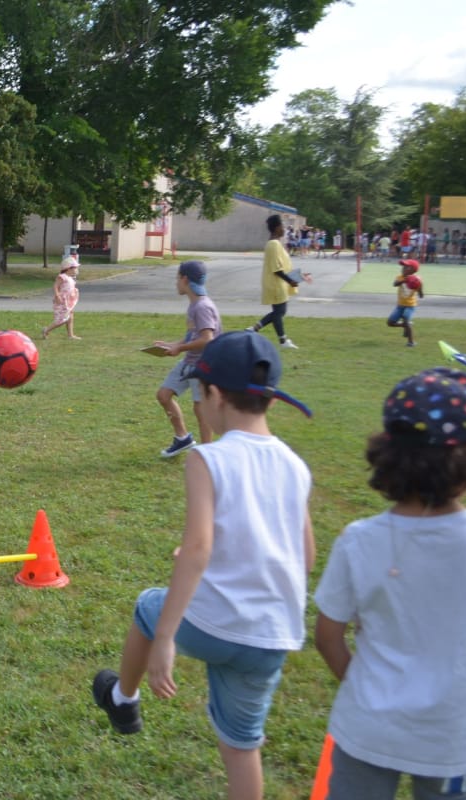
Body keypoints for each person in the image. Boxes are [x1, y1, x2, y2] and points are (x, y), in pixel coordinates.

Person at [92, 331, 314, 800]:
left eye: (200, 392)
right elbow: (305, 555)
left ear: (213, 395)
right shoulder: (296, 465)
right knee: (241, 746)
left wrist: (167, 637)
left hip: (213, 624)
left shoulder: (207, 458)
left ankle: (124, 700)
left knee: (148, 606)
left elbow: (197, 549)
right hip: (272, 635)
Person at [314, 367, 466, 800]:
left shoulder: (359, 539)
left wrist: (362, 687)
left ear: (388, 453)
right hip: (457, 734)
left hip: (368, 727)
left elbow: (327, 636)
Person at [152, 260, 222, 458]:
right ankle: (183, 438)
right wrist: (171, 345)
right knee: (164, 395)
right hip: (189, 362)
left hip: (204, 366)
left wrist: (180, 348)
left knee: (201, 410)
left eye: (177, 278)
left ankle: (209, 455)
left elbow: (207, 339)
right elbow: (194, 335)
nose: (176, 283)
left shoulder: (202, 307)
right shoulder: (194, 305)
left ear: (184, 279)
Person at [247, 214, 310, 350]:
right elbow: (277, 269)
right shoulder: (273, 244)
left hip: (279, 282)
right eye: (282, 226)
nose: (284, 229)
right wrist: (291, 280)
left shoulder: (276, 244)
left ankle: (256, 330)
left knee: (279, 312)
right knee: (280, 311)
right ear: (276, 228)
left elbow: (283, 266)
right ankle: (281, 340)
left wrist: (297, 276)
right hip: (275, 283)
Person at [42, 255, 81, 339]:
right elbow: (56, 286)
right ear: (68, 268)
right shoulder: (62, 277)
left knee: (70, 317)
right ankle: (46, 330)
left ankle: (70, 335)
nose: (76, 270)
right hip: (62, 301)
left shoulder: (70, 278)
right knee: (62, 319)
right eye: (75, 268)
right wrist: (57, 295)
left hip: (68, 301)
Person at [386, 258, 423, 347]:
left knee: (406, 318)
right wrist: (405, 280)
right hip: (400, 305)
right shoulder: (400, 277)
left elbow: (421, 294)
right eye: (403, 266)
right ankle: (405, 325)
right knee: (390, 323)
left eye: (406, 267)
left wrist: (418, 286)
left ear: (413, 270)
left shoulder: (417, 279)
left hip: (410, 305)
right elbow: (395, 284)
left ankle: (411, 342)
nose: (403, 268)